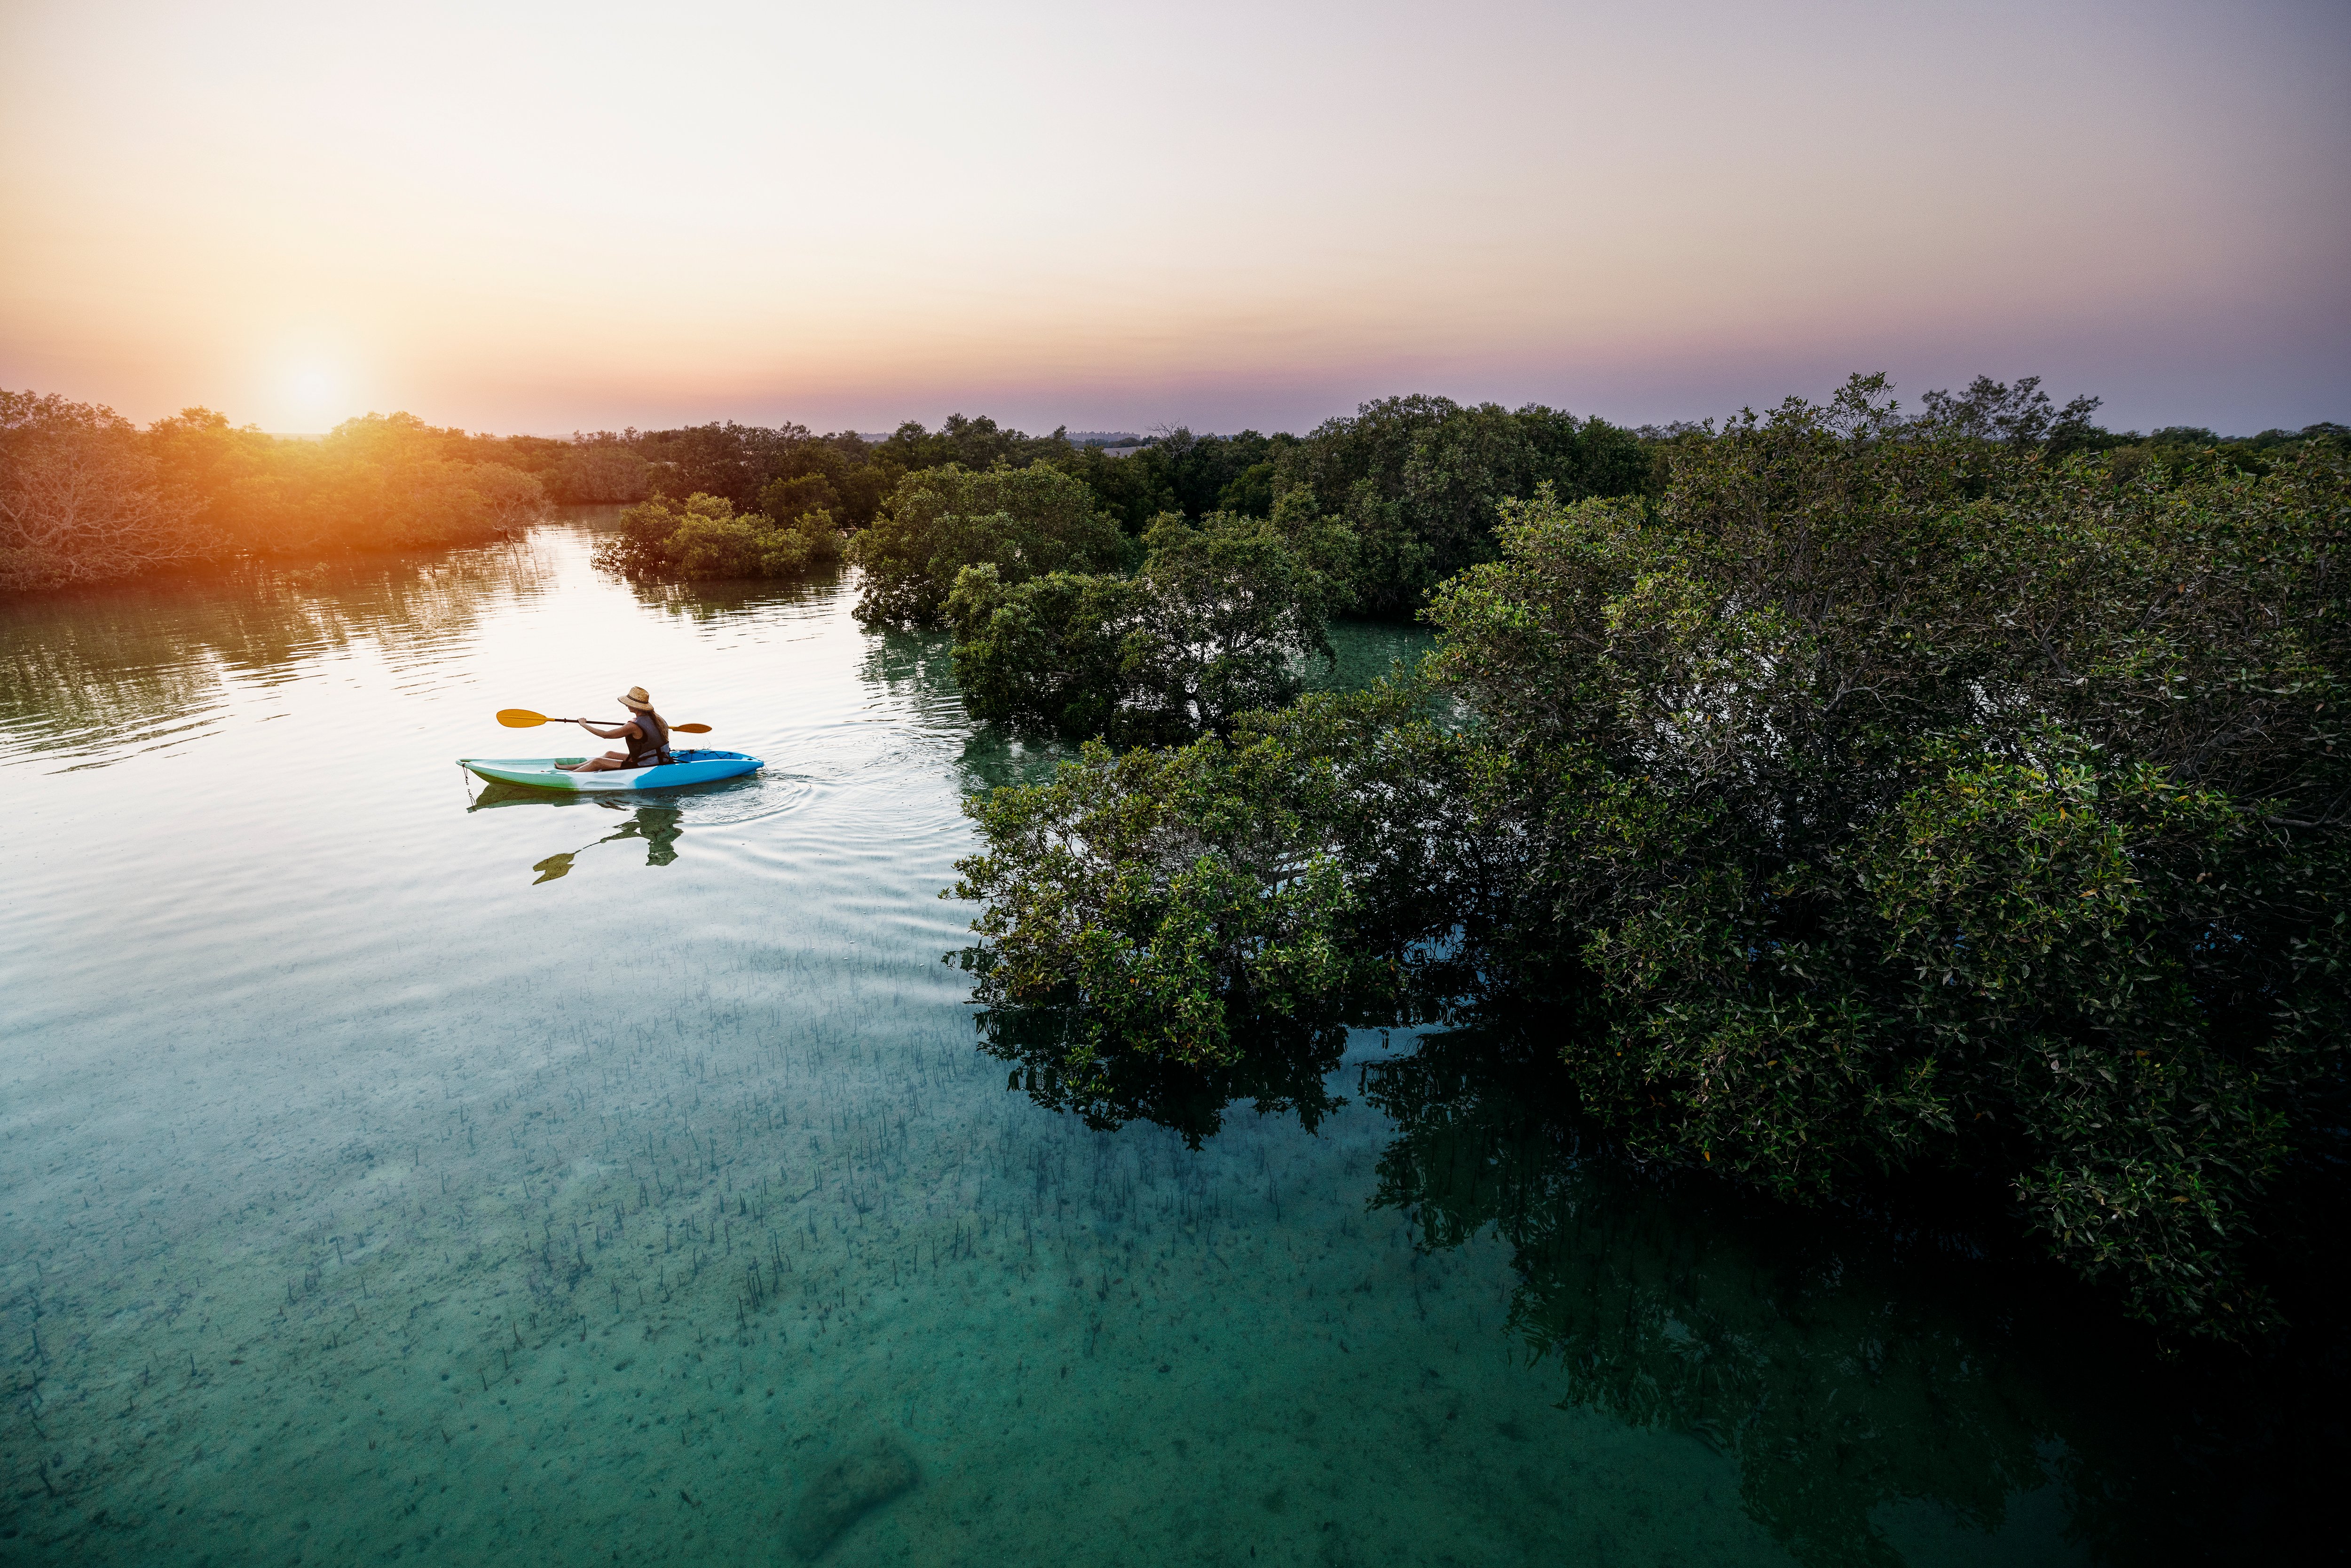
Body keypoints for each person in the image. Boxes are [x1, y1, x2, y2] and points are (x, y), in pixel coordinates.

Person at [555, 686, 673, 772]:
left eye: (628, 703)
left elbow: (606, 735)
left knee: (598, 762)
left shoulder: (633, 726)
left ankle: (571, 776)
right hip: (659, 758)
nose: (626, 705)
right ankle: (570, 768)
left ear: (635, 706)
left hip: (646, 765)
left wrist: (584, 724)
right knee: (610, 754)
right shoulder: (658, 719)